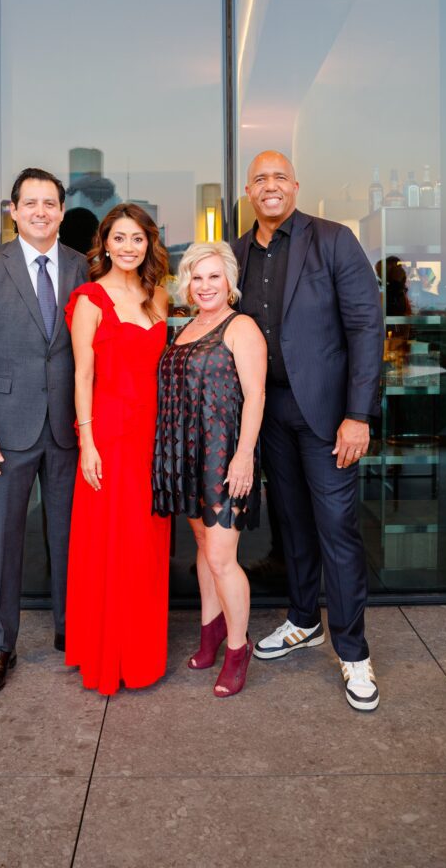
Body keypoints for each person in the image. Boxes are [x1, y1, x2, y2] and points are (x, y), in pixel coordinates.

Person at [233, 151, 384, 712]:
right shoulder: (239, 252)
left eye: (279, 177)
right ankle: (302, 621)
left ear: (294, 186)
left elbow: (367, 325)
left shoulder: (333, 239)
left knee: (337, 530)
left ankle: (354, 652)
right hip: (270, 414)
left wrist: (358, 413)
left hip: (328, 417)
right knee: (291, 524)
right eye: (260, 180)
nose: (270, 186)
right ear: (249, 192)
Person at [0, 168, 87, 694]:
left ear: (61, 209)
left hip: (67, 429)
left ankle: (69, 631)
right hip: (6, 430)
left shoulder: (83, 266)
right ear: (12, 210)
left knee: (69, 538)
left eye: (49, 202)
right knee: (4, 541)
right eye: (29, 202)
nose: (40, 210)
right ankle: (1, 645)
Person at [65, 203, 171, 696]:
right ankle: (108, 653)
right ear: (104, 243)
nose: (129, 247)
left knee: (146, 545)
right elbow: (81, 376)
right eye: (120, 238)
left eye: (138, 239)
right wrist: (87, 441)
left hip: (154, 437)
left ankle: (143, 652)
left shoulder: (159, 297)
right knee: (111, 544)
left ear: (149, 244)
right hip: (109, 435)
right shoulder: (90, 298)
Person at [153, 242, 266, 698]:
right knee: (202, 546)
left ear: (230, 282)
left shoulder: (241, 327)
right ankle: (210, 631)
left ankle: (238, 650)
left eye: (213, 277)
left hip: (223, 455)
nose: (204, 286)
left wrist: (244, 456)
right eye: (197, 278)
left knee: (222, 557)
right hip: (187, 455)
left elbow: (256, 397)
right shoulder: (183, 329)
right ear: (186, 282)